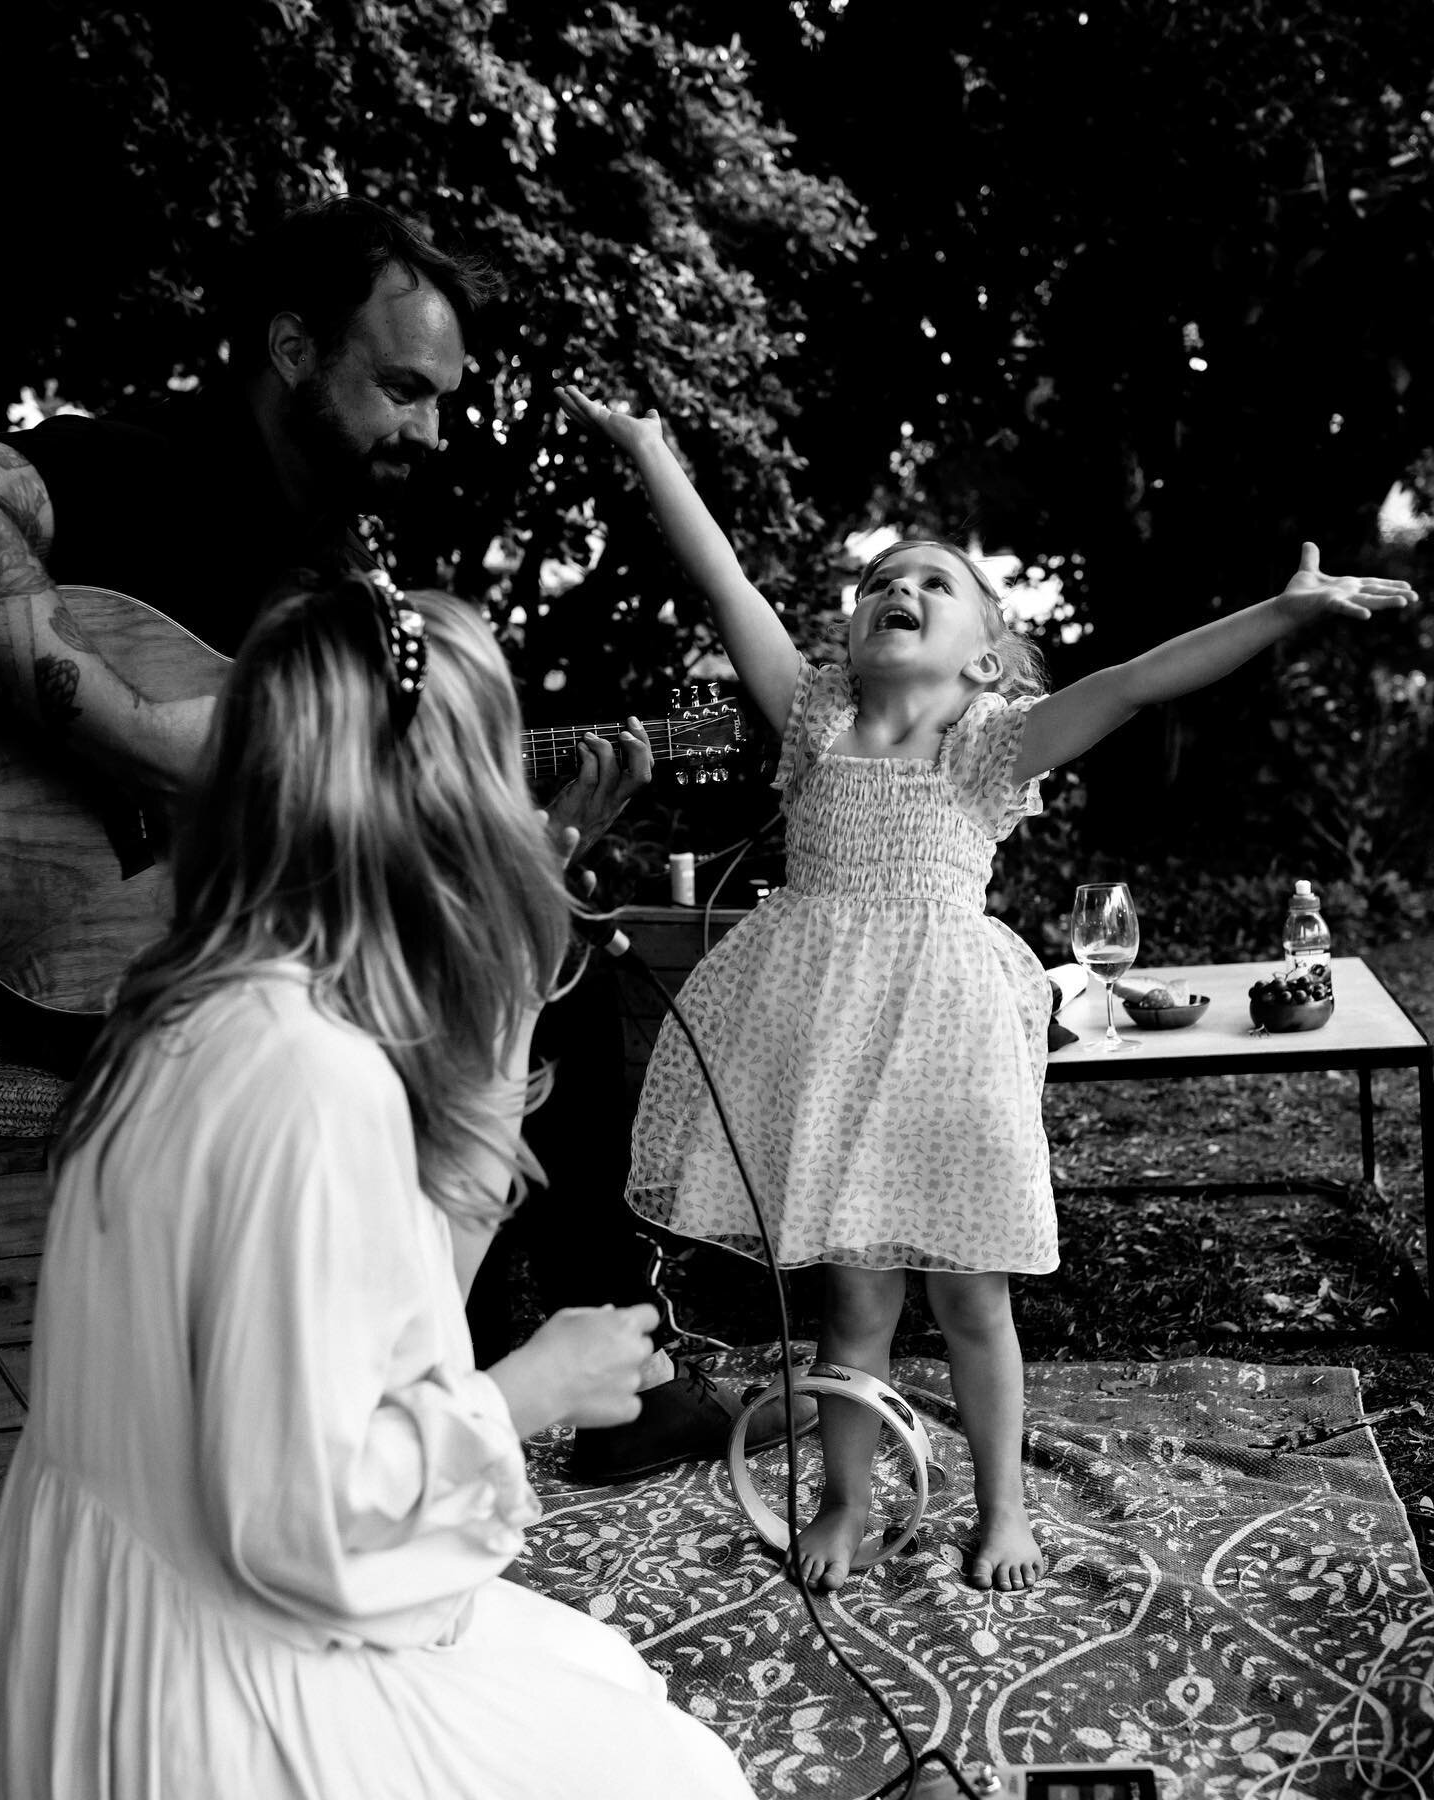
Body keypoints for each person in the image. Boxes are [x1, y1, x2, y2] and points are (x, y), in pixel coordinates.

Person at [556, 380, 1416, 1596]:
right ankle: (848, 1500)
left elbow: (1137, 678)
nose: (896, 592)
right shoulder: (811, 719)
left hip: (950, 1045)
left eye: (933, 582)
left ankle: (1003, 1507)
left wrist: (1280, 613)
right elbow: (727, 585)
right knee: (858, 1304)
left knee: (971, 1299)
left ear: (986, 657)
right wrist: (650, 450)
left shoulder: (991, 743)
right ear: (849, 635)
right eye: (875, 586)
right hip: (834, 1043)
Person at [0, 194, 806, 1476]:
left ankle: (490, 1375)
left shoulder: (334, 563)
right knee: (491, 980)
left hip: (234, 945)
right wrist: (135, 730)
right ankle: (465, 1399)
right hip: (102, 946)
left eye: (441, 399)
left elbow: (347, 828)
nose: (429, 428)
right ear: (292, 348)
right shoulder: (139, 463)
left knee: (557, 947)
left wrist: (519, 846)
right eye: (402, 388)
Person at [0, 571, 757, 1799]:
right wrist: (533, 1387)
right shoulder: (308, 1074)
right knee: (679, 1770)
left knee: (594, 1672)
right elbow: (307, 1522)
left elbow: (400, 1324)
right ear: (443, 804)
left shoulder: (182, 1002)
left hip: (99, 1617)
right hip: (210, 1692)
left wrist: (509, 983)